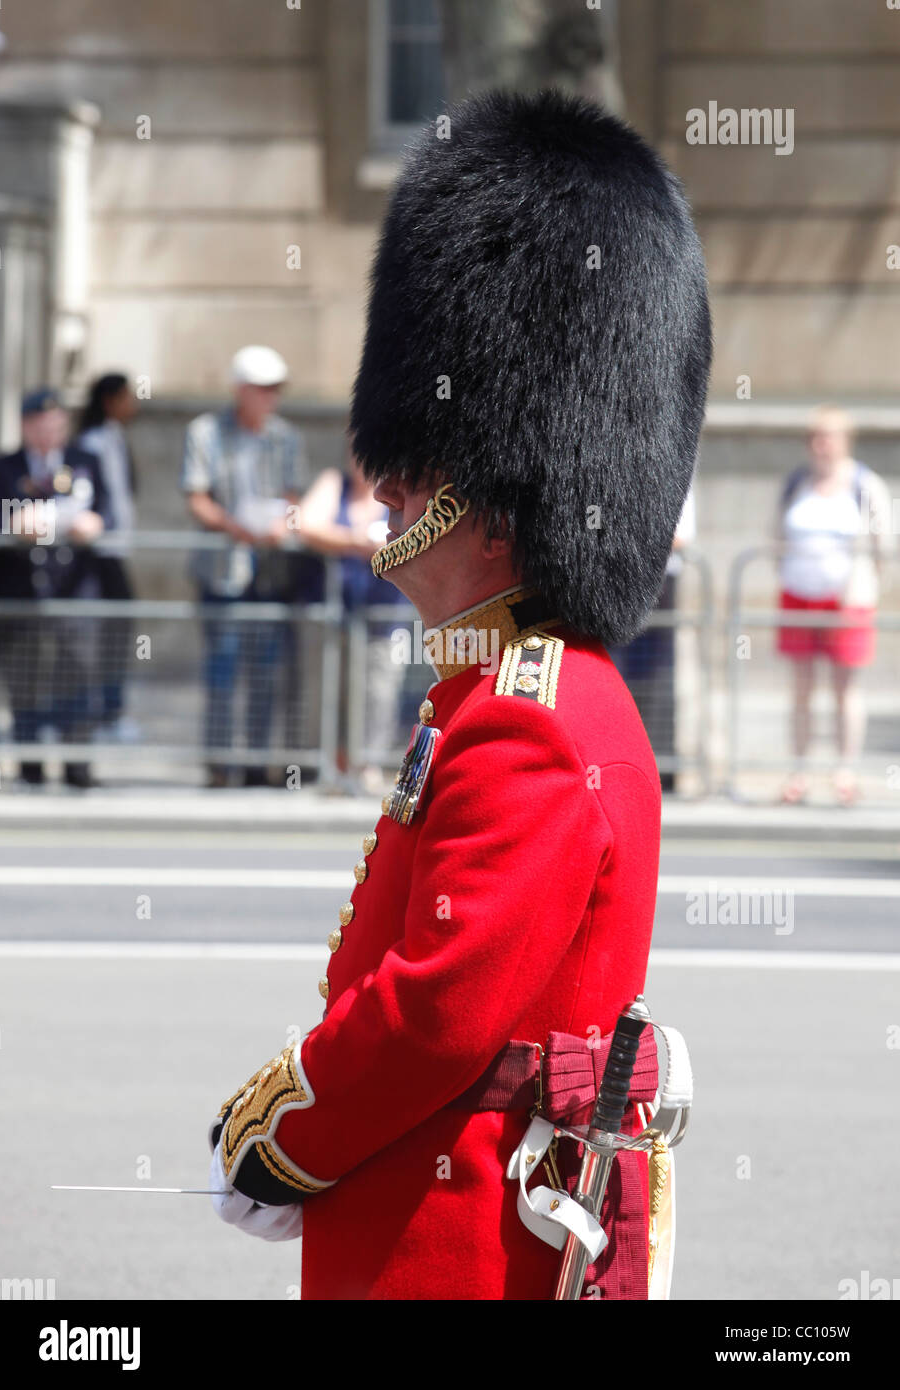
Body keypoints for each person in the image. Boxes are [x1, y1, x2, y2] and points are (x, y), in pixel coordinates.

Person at [207, 90, 711, 1300]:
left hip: (451, 1239)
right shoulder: (505, 698)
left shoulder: (529, 723)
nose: (381, 486)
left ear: (492, 500)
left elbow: (437, 1015)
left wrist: (282, 1134)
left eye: (413, 465)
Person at [181, 346, 306, 788]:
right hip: (222, 570)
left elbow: (293, 495)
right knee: (222, 666)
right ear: (241, 389)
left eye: (275, 389)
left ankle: (256, 763)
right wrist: (235, 526)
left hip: (269, 570)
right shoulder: (206, 432)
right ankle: (219, 764)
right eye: (263, 388)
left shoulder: (286, 437)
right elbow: (197, 497)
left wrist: (276, 523)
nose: (270, 397)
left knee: (265, 670)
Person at [0, 389, 108, 787]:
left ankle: (78, 766)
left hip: (73, 587)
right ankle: (31, 766)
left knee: (76, 672)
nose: (49, 430)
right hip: (21, 587)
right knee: (25, 677)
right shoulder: (3, 468)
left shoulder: (84, 463)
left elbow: (107, 512)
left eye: (56, 423)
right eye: (40, 423)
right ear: (25, 425)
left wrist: (92, 525)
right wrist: (17, 525)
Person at [776, 405, 894, 807]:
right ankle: (799, 772)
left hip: (847, 600)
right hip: (798, 595)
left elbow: (884, 547)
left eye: (827, 437)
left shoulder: (864, 484)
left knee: (845, 690)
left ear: (844, 441)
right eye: (814, 437)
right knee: (801, 689)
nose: (820, 445)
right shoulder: (797, 482)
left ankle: (845, 772)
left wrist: (866, 588)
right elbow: (775, 536)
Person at [297, 443, 412, 792]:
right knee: (326, 687)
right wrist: (355, 542)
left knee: (379, 691)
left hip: (386, 614)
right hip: (333, 614)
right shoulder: (335, 484)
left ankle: (367, 765)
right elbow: (305, 524)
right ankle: (326, 764)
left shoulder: (402, 490)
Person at [610, 486, 696, 794]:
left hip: (660, 588)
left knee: (657, 683)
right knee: (620, 681)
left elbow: (680, 537)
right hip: (622, 583)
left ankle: (661, 770)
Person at [76, 372, 139, 740]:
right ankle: (101, 713)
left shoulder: (116, 438)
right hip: (99, 553)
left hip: (116, 549)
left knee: (118, 630)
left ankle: (111, 710)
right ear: (110, 400)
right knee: (105, 632)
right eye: (127, 397)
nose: (133, 404)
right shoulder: (92, 443)